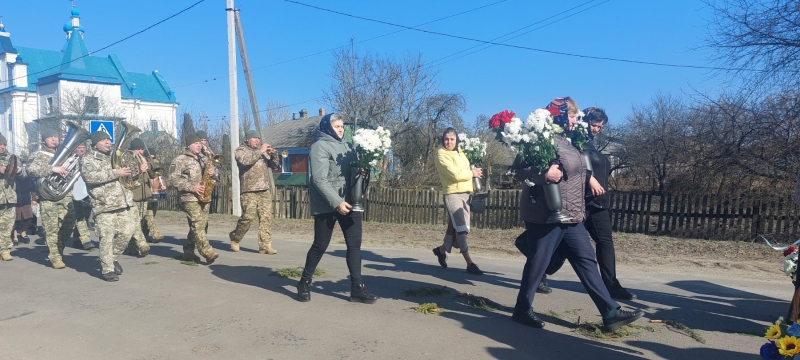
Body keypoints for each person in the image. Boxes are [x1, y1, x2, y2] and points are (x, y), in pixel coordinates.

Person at [511, 97, 643, 330]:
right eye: (572, 116)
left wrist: (589, 179)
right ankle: (522, 309)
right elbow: (518, 172)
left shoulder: (569, 141)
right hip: (547, 215)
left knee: (586, 260)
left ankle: (610, 312)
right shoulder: (540, 139)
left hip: (573, 214)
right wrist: (543, 175)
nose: (576, 120)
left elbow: (578, 171)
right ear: (560, 116)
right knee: (538, 262)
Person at [296, 113, 377, 304]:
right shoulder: (319, 146)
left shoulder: (349, 147)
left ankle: (357, 288)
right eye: (337, 126)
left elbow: (354, 175)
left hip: (349, 202)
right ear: (327, 128)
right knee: (320, 245)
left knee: (354, 245)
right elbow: (319, 179)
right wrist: (336, 202)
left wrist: (364, 173)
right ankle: (304, 282)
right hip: (327, 203)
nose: (340, 130)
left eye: (342, 127)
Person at [80, 131, 138, 282]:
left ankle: (112, 258)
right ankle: (107, 269)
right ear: (95, 143)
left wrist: (137, 170)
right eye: (104, 140)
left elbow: (129, 172)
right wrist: (116, 172)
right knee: (106, 237)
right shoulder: (87, 158)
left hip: (122, 202)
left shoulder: (114, 156)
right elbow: (90, 177)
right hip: (104, 204)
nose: (108, 142)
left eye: (109, 139)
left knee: (128, 231)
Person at [431, 127, 484, 275]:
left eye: (452, 139)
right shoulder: (441, 155)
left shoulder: (460, 153)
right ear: (443, 140)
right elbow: (454, 174)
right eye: (446, 139)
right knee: (461, 229)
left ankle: (440, 251)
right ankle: (470, 263)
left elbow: (467, 171)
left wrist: (476, 176)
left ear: (456, 140)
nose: (449, 142)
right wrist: (471, 173)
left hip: (466, 193)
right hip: (452, 194)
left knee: (455, 228)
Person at [27, 128, 79, 269]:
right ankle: (55, 257)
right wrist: (52, 169)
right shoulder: (38, 154)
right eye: (50, 137)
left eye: (56, 136)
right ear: (45, 139)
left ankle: (58, 248)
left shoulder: (67, 153)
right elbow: (30, 169)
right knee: (51, 228)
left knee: (70, 223)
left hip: (65, 194)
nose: (54, 139)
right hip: (47, 195)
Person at [168, 133, 219, 264]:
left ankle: (188, 251)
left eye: (199, 143)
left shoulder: (204, 158)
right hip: (188, 197)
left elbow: (216, 175)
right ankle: (207, 251)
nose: (199, 145)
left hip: (204, 196)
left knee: (200, 225)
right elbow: (173, 179)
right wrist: (192, 187)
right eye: (196, 143)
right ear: (189, 145)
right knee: (197, 223)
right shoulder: (180, 160)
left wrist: (214, 174)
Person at [229, 130, 280, 254]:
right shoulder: (240, 150)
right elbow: (245, 161)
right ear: (247, 139)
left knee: (266, 217)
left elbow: (275, 165)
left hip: (264, 189)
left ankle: (265, 245)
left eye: (258, 138)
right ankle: (235, 237)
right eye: (254, 138)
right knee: (248, 217)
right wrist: (260, 151)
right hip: (248, 190)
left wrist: (273, 155)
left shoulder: (262, 152)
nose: (257, 140)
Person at [122, 138, 152, 257]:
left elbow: (150, 174)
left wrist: (148, 165)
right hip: (133, 194)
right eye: (138, 149)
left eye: (142, 149)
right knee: (134, 221)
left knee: (138, 220)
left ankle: (132, 246)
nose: (140, 151)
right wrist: (139, 170)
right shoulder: (127, 157)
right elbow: (126, 173)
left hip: (143, 194)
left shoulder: (143, 158)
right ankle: (141, 244)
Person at [0, 134, 22, 261]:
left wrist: (19, 171)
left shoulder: (11, 157)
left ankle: (5, 250)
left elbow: (24, 175)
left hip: (9, 197)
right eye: (0, 144)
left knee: (7, 226)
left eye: (4, 144)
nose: (2, 147)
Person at [71, 142, 95, 251]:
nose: (81, 150)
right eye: (79, 148)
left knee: (85, 215)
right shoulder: (71, 160)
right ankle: (86, 240)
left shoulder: (89, 159)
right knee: (79, 215)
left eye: (83, 147)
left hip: (87, 191)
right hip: (74, 191)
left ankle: (76, 239)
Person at [143, 147, 164, 242]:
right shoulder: (143, 166)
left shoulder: (157, 167)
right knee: (149, 214)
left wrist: (163, 185)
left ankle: (144, 234)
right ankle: (156, 234)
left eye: (153, 158)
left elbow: (161, 179)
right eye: (150, 158)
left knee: (152, 214)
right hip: (146, 193)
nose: (152, 160)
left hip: (156, 193)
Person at [14, 170, 36, 244]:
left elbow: (33, 188)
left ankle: (23, 233)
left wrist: (34, 199)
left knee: (28, 219)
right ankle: (15, 236)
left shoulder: (27, 177)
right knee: (16, 221)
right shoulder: (12, 177)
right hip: (15, 201)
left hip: (26, 200)